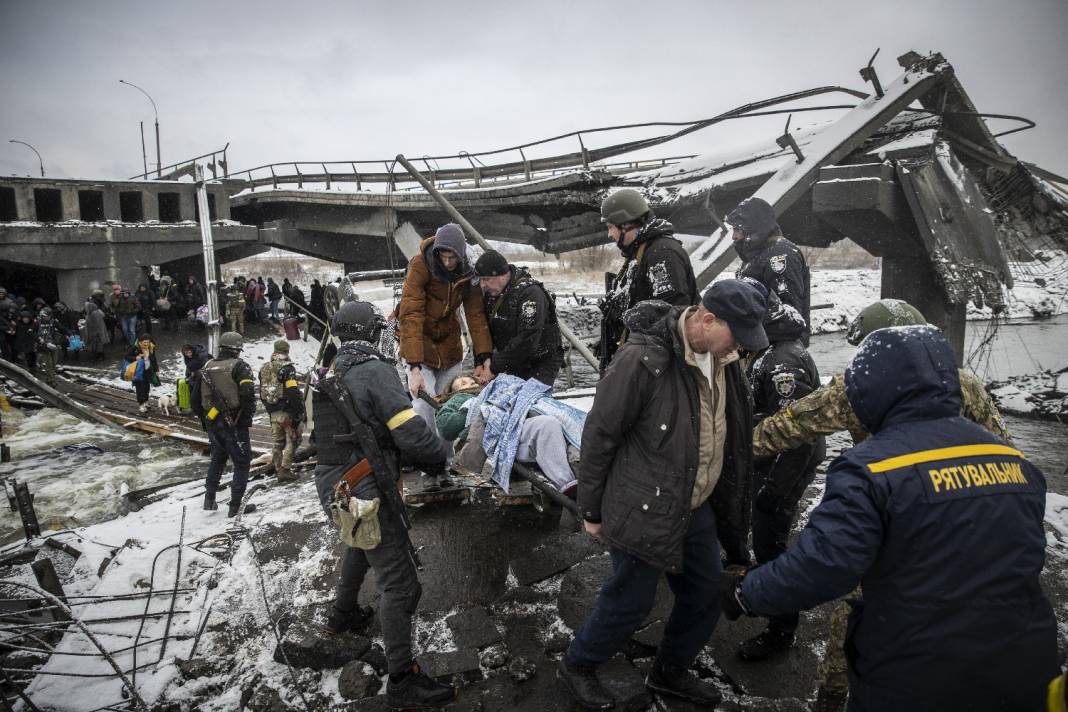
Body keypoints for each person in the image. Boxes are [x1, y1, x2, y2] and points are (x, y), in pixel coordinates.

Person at [723, 325, 1057, 712]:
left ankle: (829, 701)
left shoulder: (870, 471)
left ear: (872, 389)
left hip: (914, 675)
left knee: (849, 626)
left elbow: (821, 566)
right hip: (1025, 669)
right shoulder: (1018, 466)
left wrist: (745, 592)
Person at [558, 280, 765, 709]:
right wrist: (591, 508)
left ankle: (669, 671)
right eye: (737, 336)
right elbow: (600, 434)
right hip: (644, 504)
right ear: (707, 320)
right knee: (630, 602)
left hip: (695, 504)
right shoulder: (641, 360)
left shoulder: (723, 360)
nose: (742, 349)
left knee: (706, 592)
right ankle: (579, 663)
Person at [311, 301, 457, 708]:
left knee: (360, 542)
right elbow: (410, 432)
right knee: (401, 584)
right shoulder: (375, 370)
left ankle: (342, 616)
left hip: (336, 485)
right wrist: (441, 456)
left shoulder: (332, 369)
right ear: (371, 333)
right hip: (365, 487)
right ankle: (402, 681)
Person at [752, 298, 1012, 459]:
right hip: (956, 495)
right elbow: (1002, 443)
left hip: (890, 495)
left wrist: (736, 449)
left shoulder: (854, 387)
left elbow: (793, 425)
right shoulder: (962, 382)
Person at [736, 291, 824, 661]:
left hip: (782, 468)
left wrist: (775, 489)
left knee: (772, 547)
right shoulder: (770, 350)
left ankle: (781, 630)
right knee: (765, 542)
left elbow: (798, 436)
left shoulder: (781, 362)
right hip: (769, 462)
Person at [398, 222, 493, 436]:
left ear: (461, 255)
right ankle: (430, 460)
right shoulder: (420, 265)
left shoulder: (469, 270)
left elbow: (475, 316)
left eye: (453, 258)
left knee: (451, 406)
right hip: (420, 345)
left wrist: (483, 358)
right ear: (437, 252)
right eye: (444, 257)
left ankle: (447, 463)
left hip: (450, 346)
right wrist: (413, 368)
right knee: (424, 404)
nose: (448, 262)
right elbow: (411, 315)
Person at [598, 188, 697, 372]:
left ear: (625, 224)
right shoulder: (641, 253)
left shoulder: (662, 253)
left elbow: (673, 315)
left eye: (610, 227)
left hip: (660, 366)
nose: (609, 234)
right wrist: (617, 312)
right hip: (646, 359)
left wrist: (634, 318)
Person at [438, 374, 581, 496]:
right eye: (463, 384)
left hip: (521, 422)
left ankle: (578, 476)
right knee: (546, 425)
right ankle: (568, 486)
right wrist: (479, 406)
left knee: (552, 422)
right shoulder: (459, 399)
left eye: (473, 382)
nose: (470, 384)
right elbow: (446, 427)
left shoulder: (496, 387)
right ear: (452, 393)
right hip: (500, 438)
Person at [727, 196, 811, 344]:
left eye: (738, 229)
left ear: (753, 228)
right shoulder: (759, 254)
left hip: (779, 347)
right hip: (763, 343)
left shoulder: (779, 255)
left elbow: (789, 318)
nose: (733, 236)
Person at [473, 250, 563, 386]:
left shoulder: (530, 294)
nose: (482, 285)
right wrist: (481, 359)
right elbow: (484, 330)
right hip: (512, 358)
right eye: (480, 280)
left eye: (486, 279)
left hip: (540, 360)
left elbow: (528, 338)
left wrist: (494, 367)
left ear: (503, 275)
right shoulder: (491, 294)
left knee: (528, 400)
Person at [191, 331, 257, 517]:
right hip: (234, 424)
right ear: (237, 349)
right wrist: (244, 419)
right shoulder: (240, 367)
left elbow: (195, 400)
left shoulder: (206, 367)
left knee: (217, 459)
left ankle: (209, 498)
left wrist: (205, 421)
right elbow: (247, 394)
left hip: (212, 421)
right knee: (242, 463)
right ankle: (236, 507)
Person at [260, 339, 305, 482]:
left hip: (272, 411)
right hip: (286, 411)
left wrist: (269, 409)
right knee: (294, 439)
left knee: (278, 442)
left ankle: (278, 468)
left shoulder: (264, 368)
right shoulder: (288, 368)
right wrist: (299, 411)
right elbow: (292, 391)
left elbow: (262, 390)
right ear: (287, 351)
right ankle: (285, 470)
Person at [124, 334, 160, 413]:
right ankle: (141, 405)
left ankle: (146, 402)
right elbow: (126, 356)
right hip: (138, 372)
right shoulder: (135, 348)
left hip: (148, 371)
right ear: (140, 342)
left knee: (146, 388)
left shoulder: (151, 347)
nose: (146, 344)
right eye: (145, 342)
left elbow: (154, 359)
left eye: (148, 342)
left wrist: (156, 369)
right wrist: (135, 358)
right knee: (140, 389)